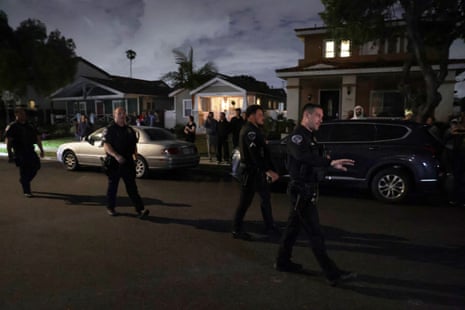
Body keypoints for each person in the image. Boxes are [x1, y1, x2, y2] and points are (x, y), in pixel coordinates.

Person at [275, 103, 357, 286]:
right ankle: (332, 273)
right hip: (300, 190)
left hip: (306, 188)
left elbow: (314, 158)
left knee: (292, 228)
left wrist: (326, 161)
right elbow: (304, 157)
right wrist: (329, 163)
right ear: (307, 116)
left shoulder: (310, 137)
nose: (321, 119)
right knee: (315, 233)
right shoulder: (297, 137)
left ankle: (282, 261)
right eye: (318, 116)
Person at [232, 105, 280, 240]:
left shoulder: (255, 130)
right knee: (245, 202)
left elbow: (263, 151)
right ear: (251, 115)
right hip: (250, 172)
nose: (262, 117)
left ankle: (269, 226)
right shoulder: (249, 131)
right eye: (260, 114)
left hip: (257, 171)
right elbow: (254, 155)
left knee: (265, 198)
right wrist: (268, 170)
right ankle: (237, 229)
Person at [102, 107, 150, 218]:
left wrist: (135, 158)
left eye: (123, 113)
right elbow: (106, 145)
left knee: (132, 187)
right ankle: (110, 207)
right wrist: (116, 155)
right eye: (119, 113)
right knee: (113, 187)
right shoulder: (110, 129)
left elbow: (134, 146)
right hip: (114, 163)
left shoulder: (129, 130)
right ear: (114, 115)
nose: (122, 115)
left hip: (128, 163)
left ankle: (140, 210)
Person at [4, 108, 44, 197]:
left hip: (30, 150)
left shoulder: (30, 126)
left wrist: (41, 149)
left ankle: (24, 181)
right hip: (20, 152)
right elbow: (9, 142)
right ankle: (27, 191)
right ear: (16, 115)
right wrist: (10, 155)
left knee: (36, 166)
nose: (23, 116)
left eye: (24, 114)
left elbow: (37, 138)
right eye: (21, 114)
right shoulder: (12, 126)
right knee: (24, 171)